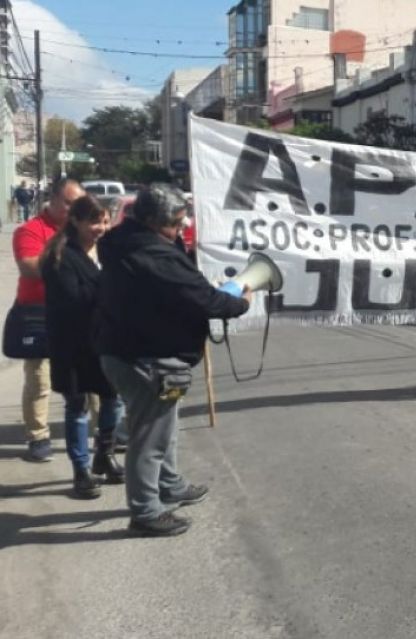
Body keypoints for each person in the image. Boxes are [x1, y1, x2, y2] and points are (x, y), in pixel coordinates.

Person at [96, 184, 253, 537]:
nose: (182, 229)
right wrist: (240, 303)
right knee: (150, 438)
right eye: (176, 223)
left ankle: (170, 485)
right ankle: (146, 511)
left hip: (130, 352)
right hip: (149, 359)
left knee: (164, 430)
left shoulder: (125, 241)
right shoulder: (154, 255)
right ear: (153, 221)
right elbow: (204, 300)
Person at [41, 195, 124, 498]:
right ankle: (81, 470)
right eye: (93, 221)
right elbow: (74, 300)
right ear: (74, 221)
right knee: (77, 406)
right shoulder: (61, 256)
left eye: (104, 221)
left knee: (113, 398)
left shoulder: (108, 250)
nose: (100, 228)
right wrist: (113, 292)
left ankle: (105, 452)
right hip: (72, 342)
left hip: (105, 340)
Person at [11, 179, 85, 462]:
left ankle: (102, 430)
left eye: (77, 204)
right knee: (40, 379)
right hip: (38, 313)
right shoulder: (30, 230)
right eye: (68, 203)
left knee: (87, 376)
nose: (73, 209)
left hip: (79, 313)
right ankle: (38, 436)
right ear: (52, 199)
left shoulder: (84, 229)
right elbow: (29, 266)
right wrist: (72, 268)